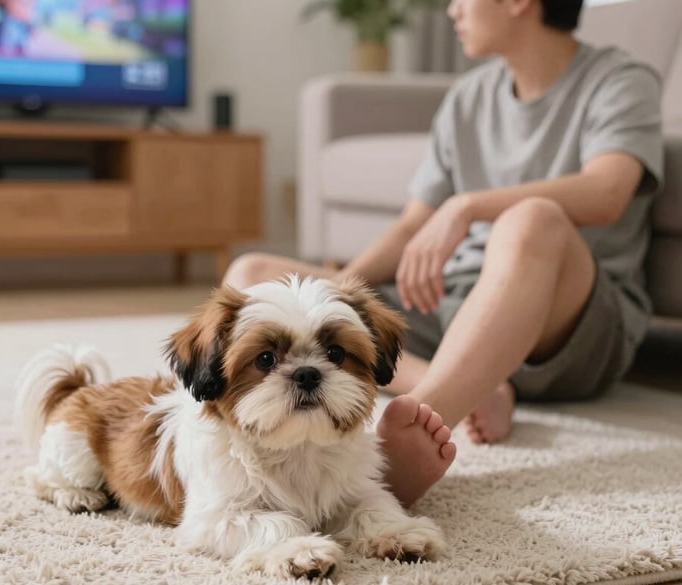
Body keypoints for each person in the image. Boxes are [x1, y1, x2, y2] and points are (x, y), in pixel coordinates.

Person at [224, 0, 664, 508]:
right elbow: (414, 225)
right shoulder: (470, 96)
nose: (453, 10)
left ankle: (422, 423)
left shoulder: (621, 79)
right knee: (252, 272)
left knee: (531, 218)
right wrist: (340, 296)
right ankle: (481, 383)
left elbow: (608, 191)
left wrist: (468, 207)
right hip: (458, 304)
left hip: (572, 326)